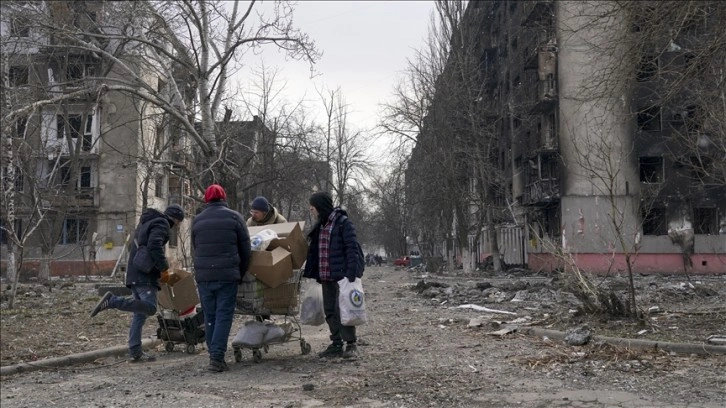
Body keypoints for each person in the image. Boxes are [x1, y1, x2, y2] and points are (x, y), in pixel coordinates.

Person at [90, 204, 185, 363]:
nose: (177, 226)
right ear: (175, 219)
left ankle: (135, 351)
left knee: (139, 314)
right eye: (178, 222)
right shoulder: (161, 224)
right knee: (150, 308)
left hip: (135, 271)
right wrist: (163, 269)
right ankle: (112, 301)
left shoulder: (146, 222)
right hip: (145, 275)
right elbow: (155, 245)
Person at [192, 184, 251, 372]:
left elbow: (196, 247)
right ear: (223, 197)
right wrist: (239, 273)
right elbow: (246, 250)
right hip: (227, 275)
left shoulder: (197, 220)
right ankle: (217, 358)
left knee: (210, 315)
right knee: (223, 315)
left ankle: (213, 354)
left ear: (206, 199)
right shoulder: (235, 217)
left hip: (204, 276)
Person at [303, 191, 361, 359]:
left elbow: (352, 249)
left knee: (344, 310)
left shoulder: (342, 223)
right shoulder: (320, 226)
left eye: (312, 207)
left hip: (341, 276)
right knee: (330, 311)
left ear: (320, 206)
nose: (311, 210)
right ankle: (336, 343)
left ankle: (351, 344)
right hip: (326, 275)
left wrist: (351, 274)